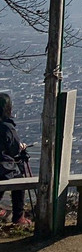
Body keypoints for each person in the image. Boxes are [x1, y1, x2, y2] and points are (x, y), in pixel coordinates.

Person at [0, 93, 31, 227]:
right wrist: (21, 147)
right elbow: (13, 150)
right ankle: (19, 217)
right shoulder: (6, 127)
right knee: (19, 181)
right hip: (3, 166)